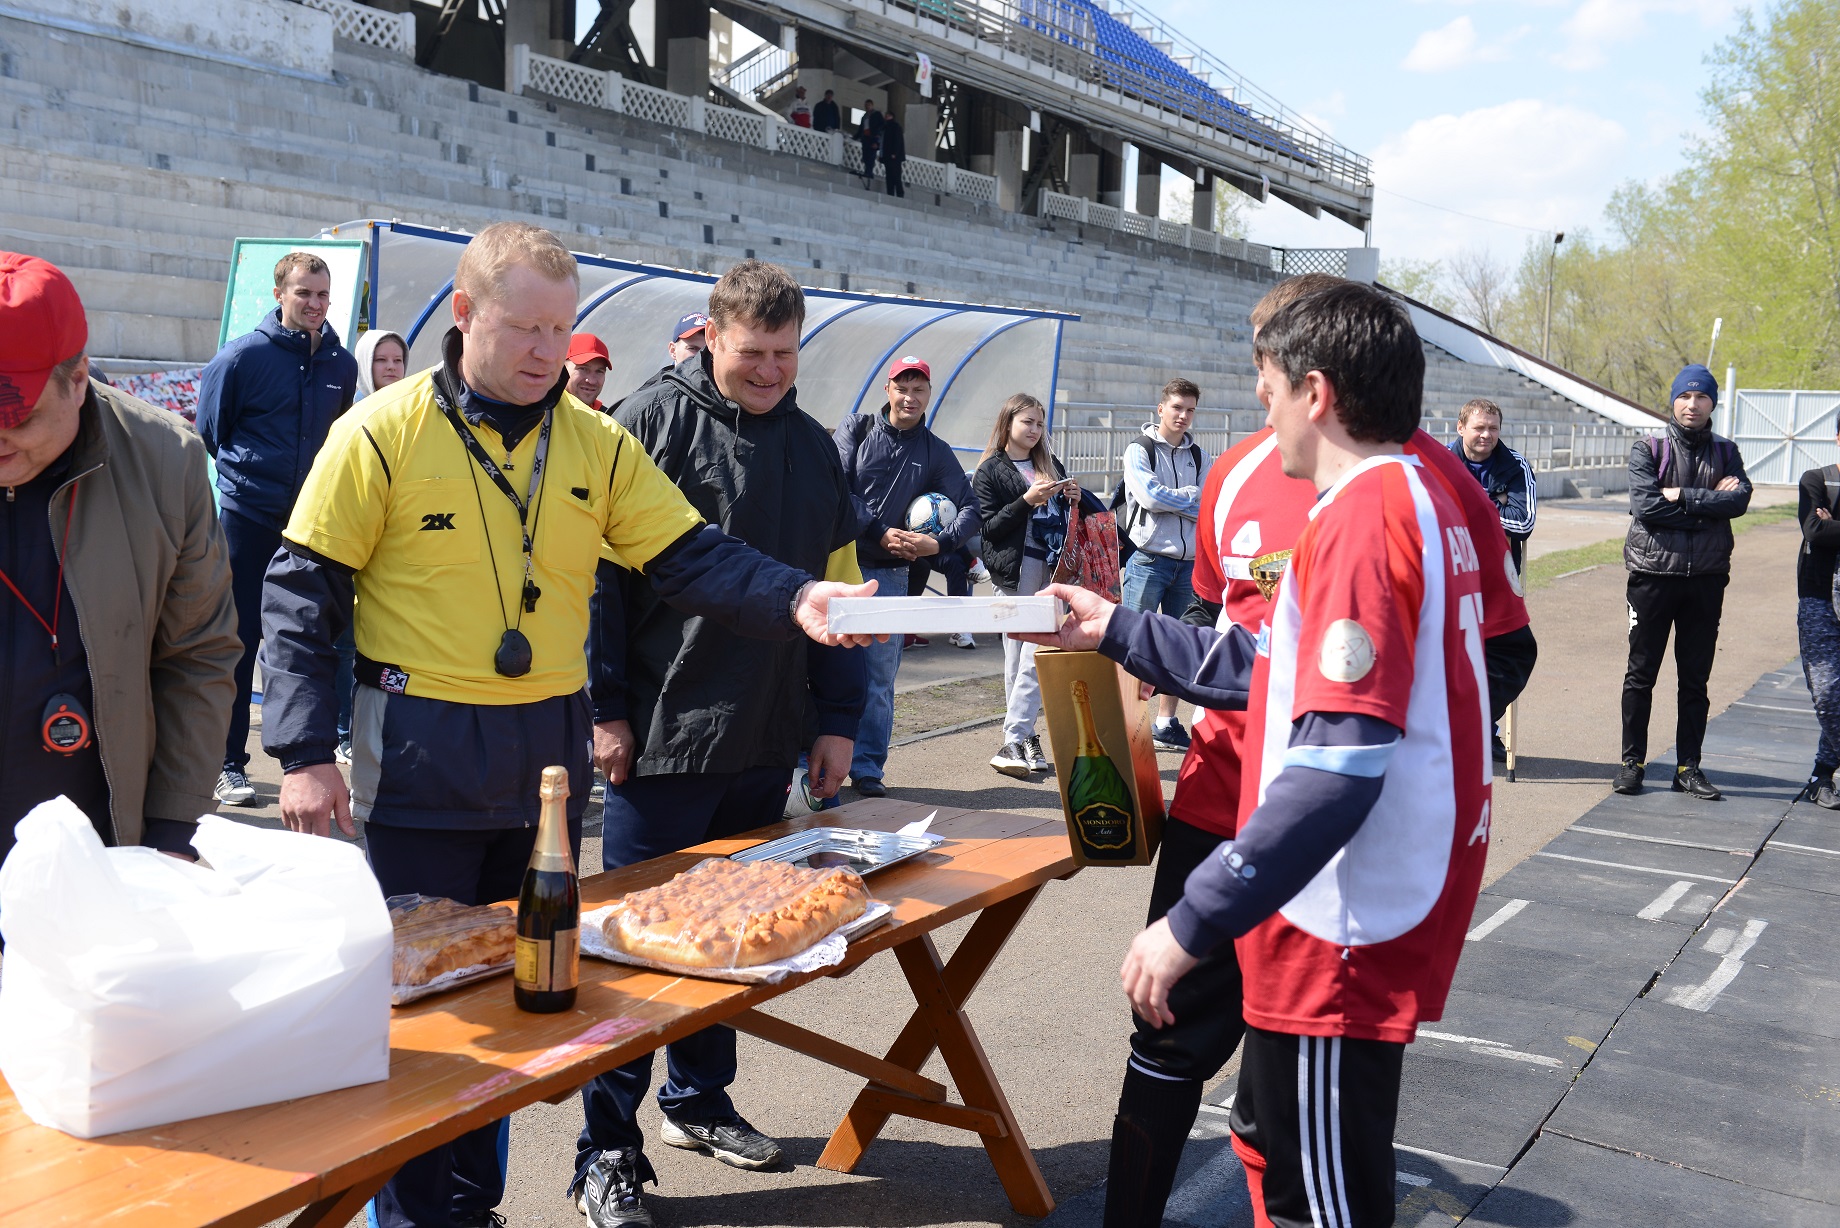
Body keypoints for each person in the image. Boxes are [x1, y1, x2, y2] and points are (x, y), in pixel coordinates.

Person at [254, 221, 877, 1228]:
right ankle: (409, 1219)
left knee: (519, 996)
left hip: (544, 763)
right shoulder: (379, 431)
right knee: (418, 1010)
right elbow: (301, 591)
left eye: (561, 328)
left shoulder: (595, 441)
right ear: (465, 315)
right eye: (525, 328)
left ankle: (475, 1206)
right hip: (417, 750)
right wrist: (298, 751)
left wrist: (798, 596)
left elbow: (690, 555)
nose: (547, 350)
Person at [1022, 280, 1491, 1228]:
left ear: (1316, 394)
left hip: (1334, 915)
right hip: (1337, 899)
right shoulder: (1397, 497)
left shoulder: (1365, 516)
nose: (1259, 408)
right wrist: (1115, 627)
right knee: (1296, 1170)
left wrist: (1193, 920)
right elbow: (1265, 664)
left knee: (1317, 1202)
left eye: (1267, 385)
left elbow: (1338, 767)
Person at [577, 260, 866, 1223]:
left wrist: (836, 720)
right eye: (753, 353)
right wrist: (605, 709)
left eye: (786, 353)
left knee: (732, 944)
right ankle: (606, 1151)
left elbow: (840, 590)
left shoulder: (816, 449)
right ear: (710, 336)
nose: (770, 371)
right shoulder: (648, 422)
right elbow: (597, 585)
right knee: (634, 957)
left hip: (766, 734)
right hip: (662, 735)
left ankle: (698, 1102)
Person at [0, 251, 241, 868]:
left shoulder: (166, 461)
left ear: (78, 378)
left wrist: (172, 828)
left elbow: (198, 654)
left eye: (17, 418)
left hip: (100, 852)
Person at [194, 251, 357, 807]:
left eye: (323, 294)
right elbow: (211, 432)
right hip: (248, 520)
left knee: (310, 641)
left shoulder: (341, 365)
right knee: (238, 643)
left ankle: (308, 758)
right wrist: (252, 481)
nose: (315, 303)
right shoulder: (241, 358)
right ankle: (228, 763)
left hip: (309, 526)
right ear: (279, 294)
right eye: (304, 292)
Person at [836, 356, 978, 796]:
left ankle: (867, 769)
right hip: (838, 565)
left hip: (891, 576)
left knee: (879, 681)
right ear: (887, 390)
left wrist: (940, 544)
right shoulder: (857, 429)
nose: (909, 397)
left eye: (919, 390)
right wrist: (878, 530)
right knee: (827, 671)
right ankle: (812, 762)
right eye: (902, 388)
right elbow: (836, 487)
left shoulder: (935, 450)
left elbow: (971, 508)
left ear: (929, 395)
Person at [1615, 363, 1750, 800]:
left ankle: (1688, 767)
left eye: (1702, 397)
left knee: (1695, 680)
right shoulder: (1648, 447)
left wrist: (1684, 496)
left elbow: (1739, 501)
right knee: (1641, 676)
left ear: (1713, 403)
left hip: (1706, 580)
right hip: (1652, 577)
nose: (1693, 404)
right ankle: (1632, 763)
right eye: (1685, 396)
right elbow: (1647, 507)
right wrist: (1708, 508)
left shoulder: (1727, 451)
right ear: (1673, 401)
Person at [975, 392, 1073, 777]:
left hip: (1053, 567)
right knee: (1018, 657)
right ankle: (1021, 736)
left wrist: (1073, 498)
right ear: (1008, 423)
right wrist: (1026, 501)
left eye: (1039, 424)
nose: (1034, 430)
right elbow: (988, 528)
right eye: (1027, 422)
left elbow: (1065, 517)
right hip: (1015, 571)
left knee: (1035, 653)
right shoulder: (990, 470)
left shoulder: (1048, 462)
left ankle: (1017, 736)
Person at [1119, 377, 1211, 753]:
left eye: (1190, 409)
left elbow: (1206, 505)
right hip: (1148, 560)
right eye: (1177, 407)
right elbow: (1149, 497)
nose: (1183, 415)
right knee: (1134, 645)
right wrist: (1189, 497)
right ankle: (1126, 724)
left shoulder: (1199, 455)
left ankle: (1165, 722)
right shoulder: (1139, 450)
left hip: (1188, 565)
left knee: (1178, 647)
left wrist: (1180, 500)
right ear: (1161, 409)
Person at [337, 327, 411, 764]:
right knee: (346, 643)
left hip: (397, 548)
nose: (391, 368)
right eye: (381, 360)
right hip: (355, 541)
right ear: (365, 364)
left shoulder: (416, 414)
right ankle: (343, 730)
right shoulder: (351, 416)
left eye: (397, 360)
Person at [1796, 448, 1840, 807]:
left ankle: (1821, 775)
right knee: (1827, 695)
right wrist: (1824, 526)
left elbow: (1827, 529)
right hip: (1819, 598)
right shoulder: (1818, 480)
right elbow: (1814, 529)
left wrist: (1832, 525)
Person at [1452, 396, 1537, 572]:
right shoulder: (1442, 462)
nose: (1486, 435)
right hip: (1454, 570)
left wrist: (1468, 503)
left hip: (1499, 573)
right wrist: (1498, 501)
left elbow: (1523, 524)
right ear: (1461, 428)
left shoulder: (1516, 465)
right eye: (1479, 428)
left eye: (1493, 428)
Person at [605, 312, 708, 415]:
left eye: (708, 350)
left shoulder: (716, 394)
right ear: (673, 350)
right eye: (692, 348)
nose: (700, 355)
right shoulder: (649, 402)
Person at [565, 332, 611, 409]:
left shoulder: (609, 414)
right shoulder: (546, 411)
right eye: (583, 369)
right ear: (561, 368)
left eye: (599, 371)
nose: (592, 381)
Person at [856, 99, 882, 188]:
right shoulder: (864, 116)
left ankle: (869, 173)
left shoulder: (877, 114)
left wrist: (877, 139)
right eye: (866, 105)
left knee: (871, 156)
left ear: (872, 105)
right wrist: (855, 137)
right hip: (865, 138)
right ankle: (867, 171)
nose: (867, 107)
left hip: (873, 138)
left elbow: (881, 126)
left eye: (869, 105)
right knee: (866, 156)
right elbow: (861, 129)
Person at [880, 107, 906, 198]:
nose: (885, 117)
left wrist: (894, 153)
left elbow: (897, 141)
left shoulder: (895, 127)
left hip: (893, 157)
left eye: (887, 116)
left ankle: (899, 194)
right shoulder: (886, 127)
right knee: (890, 176)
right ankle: (891, 193)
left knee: (895, 176)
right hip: (888, 156)